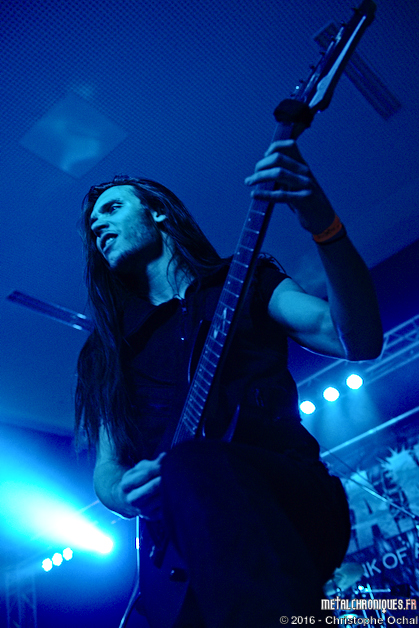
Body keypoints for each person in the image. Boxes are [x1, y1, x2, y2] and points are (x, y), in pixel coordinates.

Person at [75, 139, 383, 627]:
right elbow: (107, 471)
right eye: (93, 226)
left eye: (112, 209)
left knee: (196, 463)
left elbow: (357, 339)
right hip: (179, 551)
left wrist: (324, 226)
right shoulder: (106, 352)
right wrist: (125, 493)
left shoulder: (245, 281)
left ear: (158, 213)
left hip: (288, 496)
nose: (99, 227)